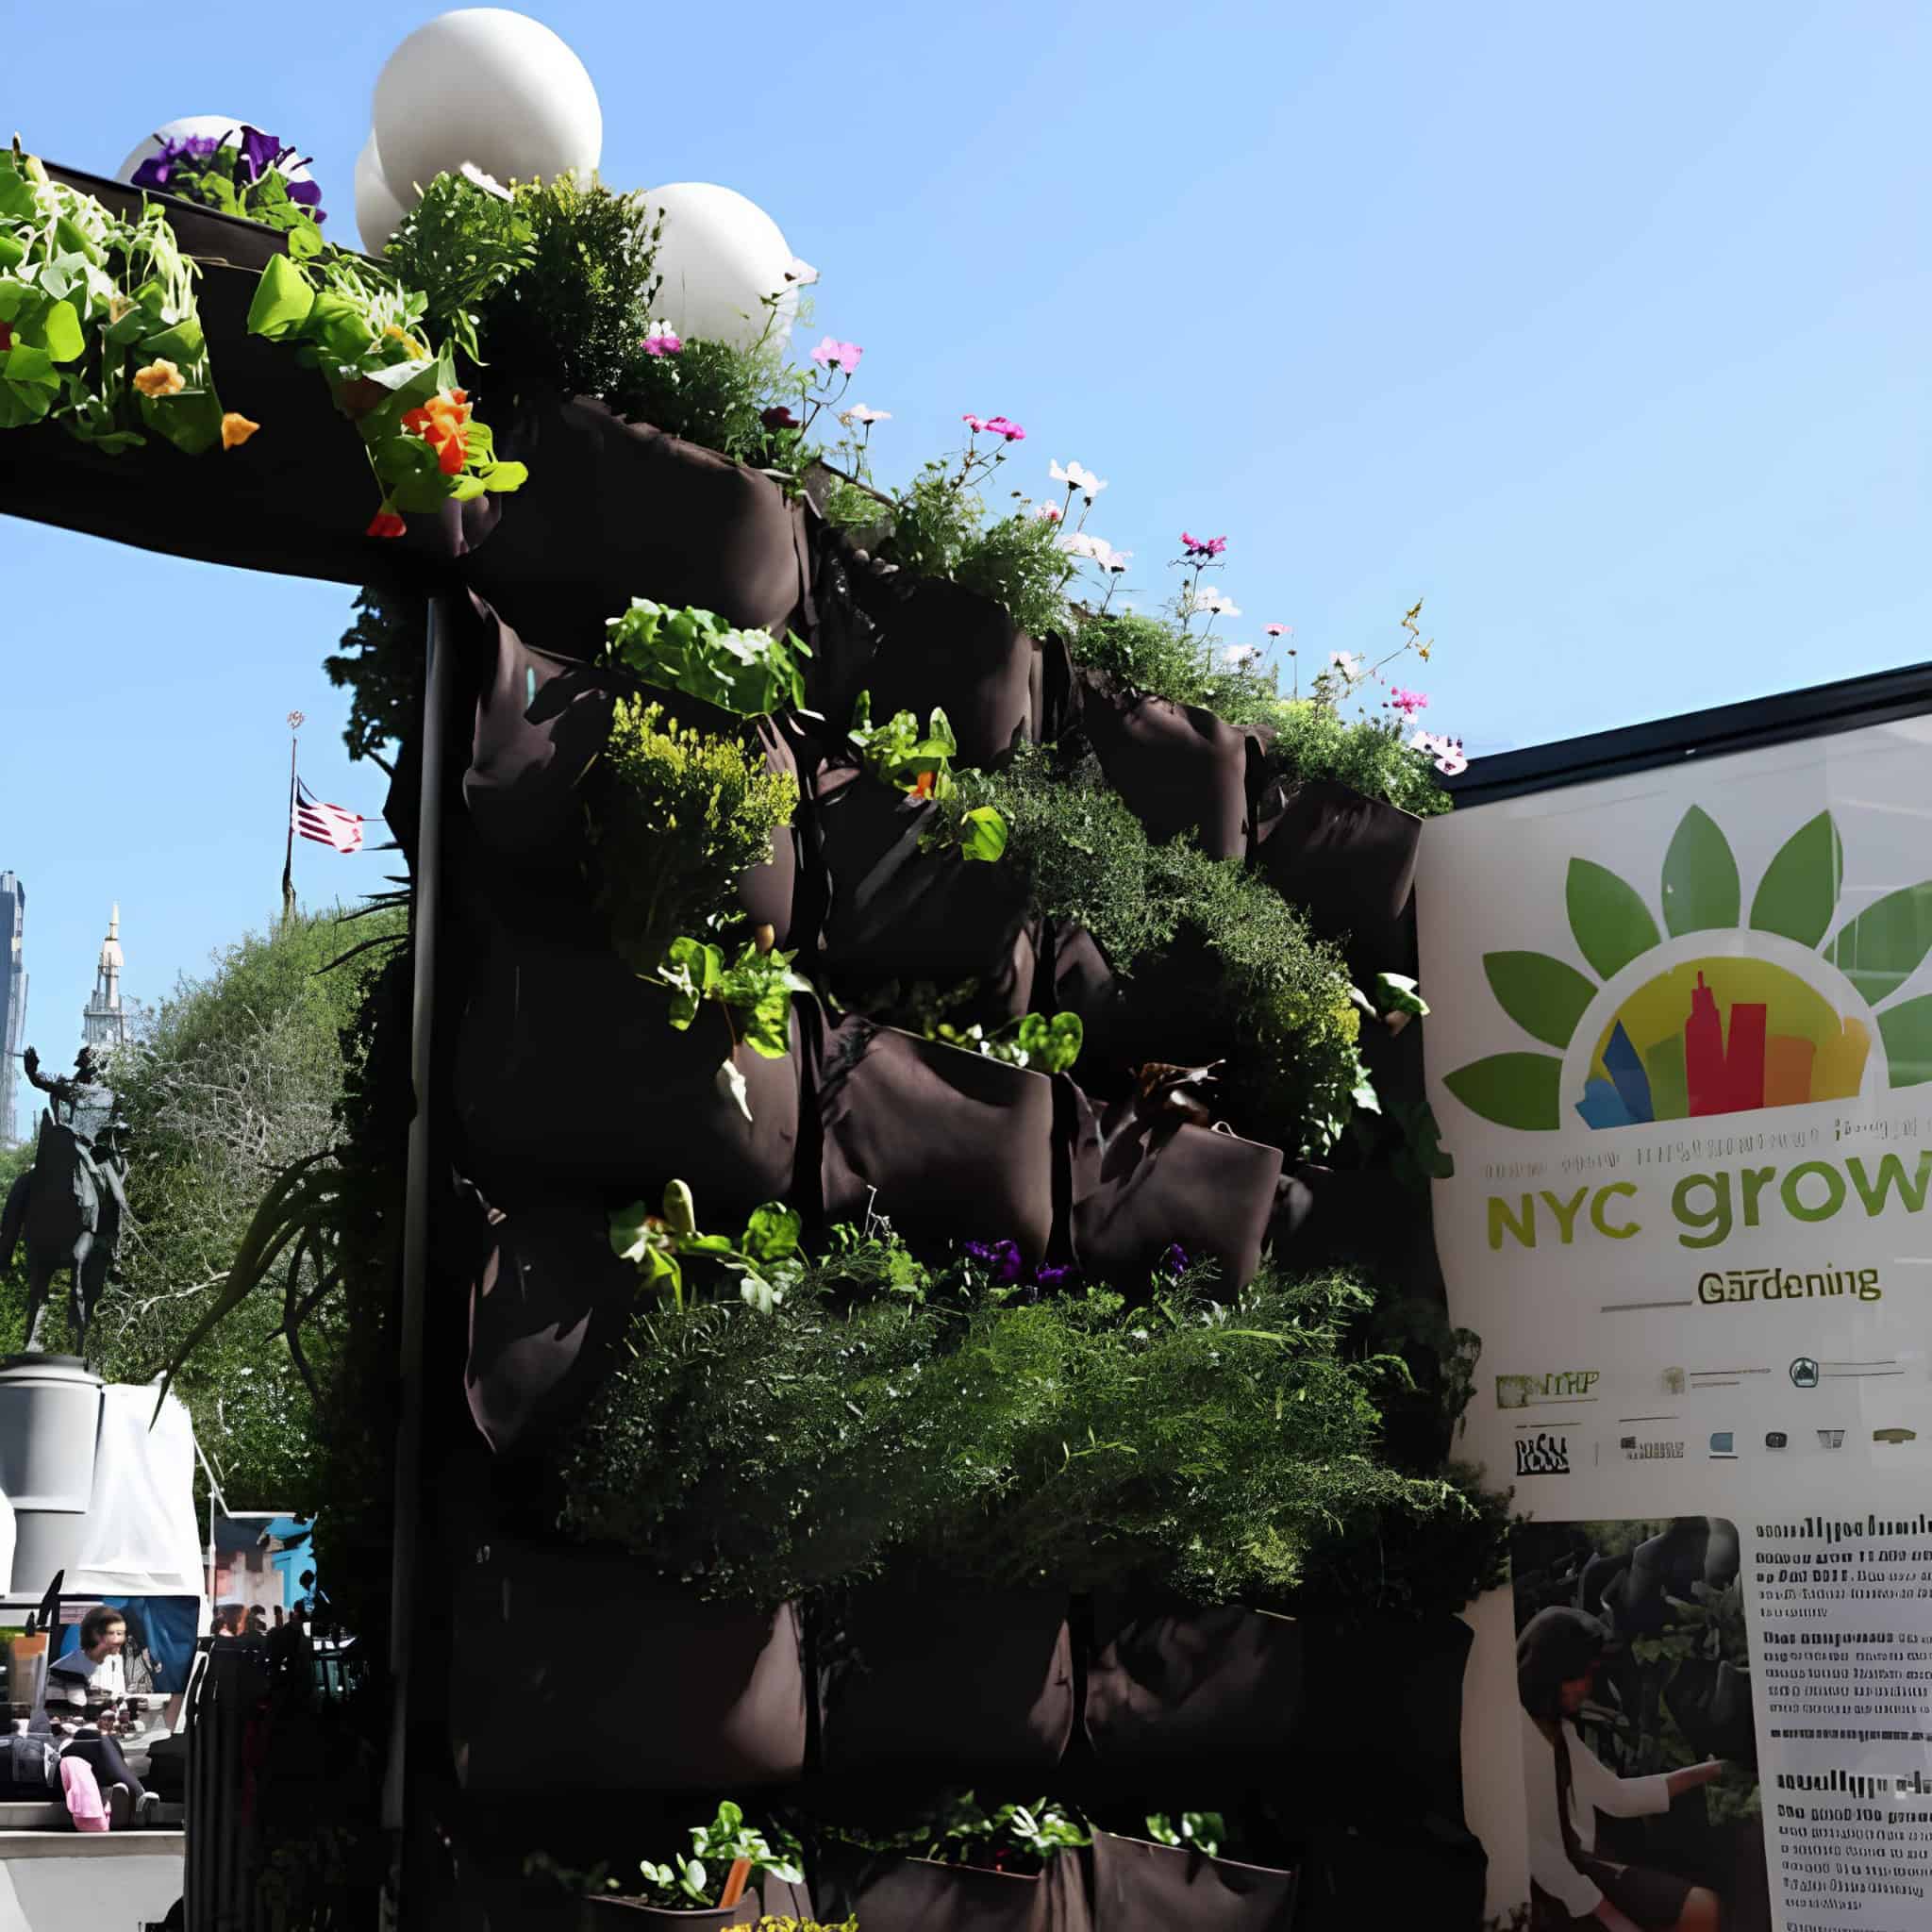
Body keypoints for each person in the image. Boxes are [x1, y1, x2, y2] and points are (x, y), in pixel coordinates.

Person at [1518, 1607, 1725, 1932]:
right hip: (1538, 1888)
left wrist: (1711, 1771)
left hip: (1576, 1867)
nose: (1587, 1686)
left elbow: (1618, 1797)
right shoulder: (1512, 1735)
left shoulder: (1560, 1731)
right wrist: (1610, 1915)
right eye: (1579, 1675)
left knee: (1704, 1909)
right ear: (1548, 1673)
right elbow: (1537, 1854)